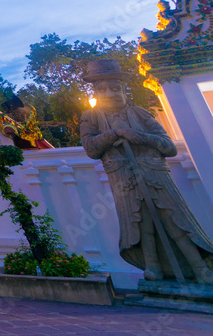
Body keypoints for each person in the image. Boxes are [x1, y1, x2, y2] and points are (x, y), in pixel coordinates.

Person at [80, 60, 213, 284]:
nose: (110, 94)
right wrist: (113, 134)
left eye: (115, 88)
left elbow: (168, 146)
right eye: (102, 89)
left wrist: (137, 136)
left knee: (174, 217)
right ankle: (153, 268)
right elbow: (91, 148)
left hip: (154, 172)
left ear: (124, 90)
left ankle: (199, 267)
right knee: (139, 222)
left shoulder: (139, 113)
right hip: (123, 176)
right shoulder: (91, 117)